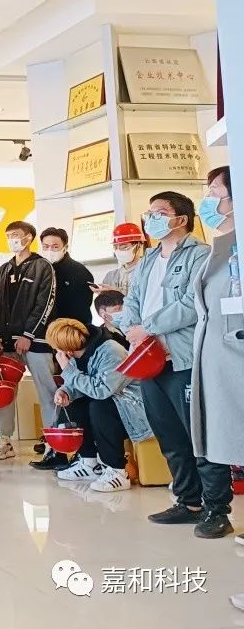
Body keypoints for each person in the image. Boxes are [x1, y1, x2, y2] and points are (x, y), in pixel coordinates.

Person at [119, 192, 232, 538]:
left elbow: (191, 303)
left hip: (182, 358)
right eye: (149, 212)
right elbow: (133, 298)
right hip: (149, 360)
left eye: (159, 212)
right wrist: (131, 327)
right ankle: (188, 501)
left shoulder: (201, 255)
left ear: (180, 219)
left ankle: (217, 509)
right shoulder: (150, 258)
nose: (150, 218)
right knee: (169, 436)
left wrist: (148, 327)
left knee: (199, 435)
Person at [193, 168, 244, 557]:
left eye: (215, 191)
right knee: (220, 438)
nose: (208, 200)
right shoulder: (221, 245)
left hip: (234, 357)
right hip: (216, 358)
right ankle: (214, 508)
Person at [47, 318, 152, 492]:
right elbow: (78, 385)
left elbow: (102, 391)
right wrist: (65, 392)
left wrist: (68, 371)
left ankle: (118, 471)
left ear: (67, 349)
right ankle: (89, 463)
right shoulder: (76, 355)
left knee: (100, 406)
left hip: (133, 407)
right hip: (113, 403)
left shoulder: (111, 351)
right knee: (74, 404)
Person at [0, 220, 57, 465]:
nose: (12, 240)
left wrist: (29, 334)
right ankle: (4, 439)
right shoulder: (3, 269)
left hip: (35, 341)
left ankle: (53, 442)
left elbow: (45, 302)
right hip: (7, 343)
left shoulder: (42, 266)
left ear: (29, 237)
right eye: (8, 235)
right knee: (4, 392)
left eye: (16, 235)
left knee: (47, 390)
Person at [40, 227, 94, 326]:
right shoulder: (39, 270)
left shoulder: (80, 272)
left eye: (55, 247)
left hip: (69, 329)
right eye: (46, 247)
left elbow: (81, 310)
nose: (49, 250)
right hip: (44, 329)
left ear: (65, 247)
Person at [94, 223, 146, 295]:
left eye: (124, 247)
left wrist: (117, 292)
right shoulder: (110, 276)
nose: (119, 251)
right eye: (115, 247)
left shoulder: (148, 273)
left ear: (139, 245)